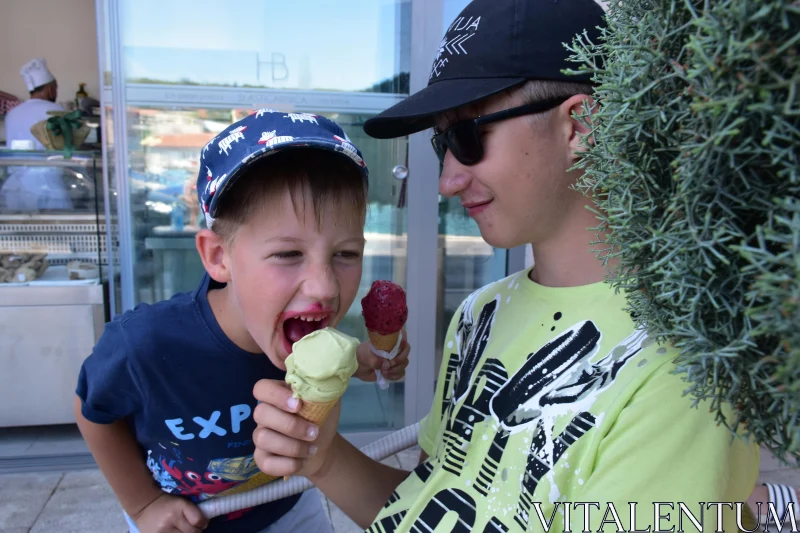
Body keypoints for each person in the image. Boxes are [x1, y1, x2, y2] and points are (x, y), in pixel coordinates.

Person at [249, 1, 761, 532]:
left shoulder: (686, 368)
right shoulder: (480, 313)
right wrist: (325, 459)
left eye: (468, 136)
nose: (447, 180)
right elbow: (431, 506)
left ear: (581, 125)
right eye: (441, 143)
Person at [74, 110, 410, 533]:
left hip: (287, 510)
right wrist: (144, 505)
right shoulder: (144, 345)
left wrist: (369, 357)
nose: (325, 287)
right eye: (288, 254)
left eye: (346, 253)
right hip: (179, 519)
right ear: (219, 257)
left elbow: (343, 365)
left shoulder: (303, 331)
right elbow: (92, 412)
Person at [0, 58, 72, 210]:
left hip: (14, 189)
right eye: (56, 88)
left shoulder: (12, 114)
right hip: (48, 188)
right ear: (50, 89)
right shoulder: (57, 111)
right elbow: (68, 150)